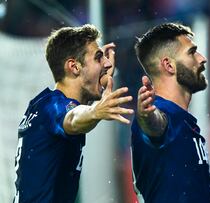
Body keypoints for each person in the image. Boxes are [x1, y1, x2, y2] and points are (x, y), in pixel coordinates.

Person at [13, 24, 134, 203]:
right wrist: (96, 111)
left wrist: (95, 98)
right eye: (98, 58)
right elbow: (73, 117)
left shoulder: (41, 104)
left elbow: (75, 109)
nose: (107, 64)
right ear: (74, 67)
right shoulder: (53, 108)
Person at [131, 22, 210, 203]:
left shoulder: (183, 120)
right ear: (169, 65)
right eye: (192, 52)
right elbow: (155, 125)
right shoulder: (161, 113)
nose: (202, 59)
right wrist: (146, 116)